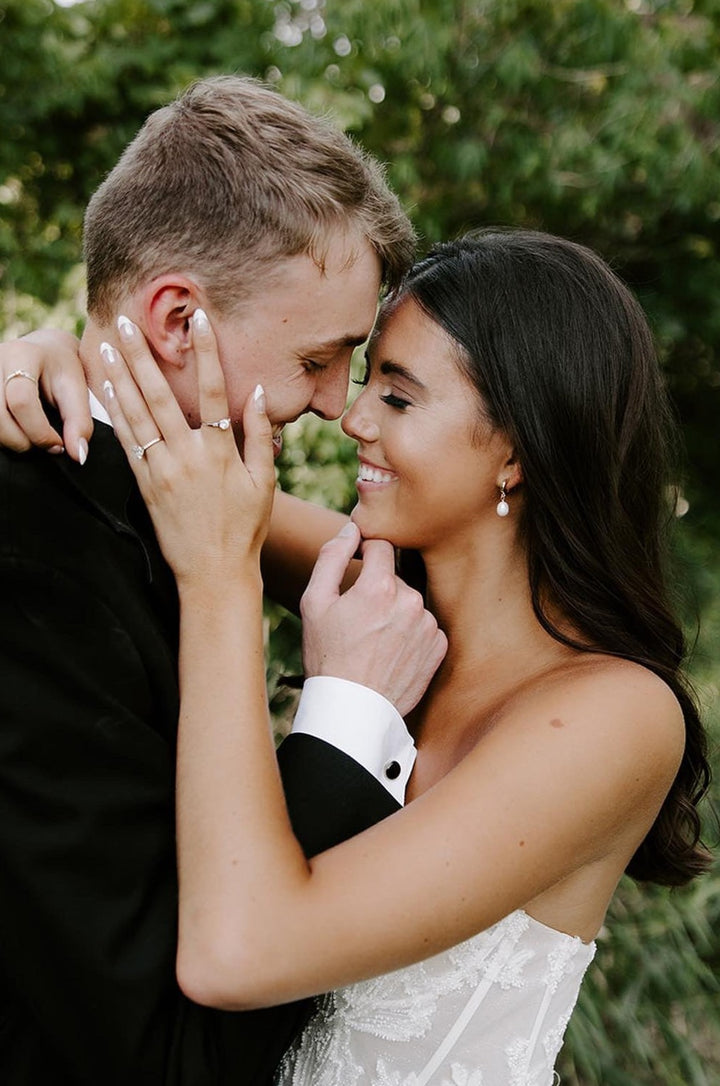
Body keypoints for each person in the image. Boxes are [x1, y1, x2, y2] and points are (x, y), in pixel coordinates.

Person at [6, 229, 711, 1084]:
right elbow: (170, 474)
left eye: (400, 397)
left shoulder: (614, 715)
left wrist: (223, 585)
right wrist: (45, 361)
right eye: (366, 378)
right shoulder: (382, 604)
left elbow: (236, 957)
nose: (353, 417)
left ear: (518, 451)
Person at [0, 75, 448, 1085]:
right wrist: (347, 715)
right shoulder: (33, 564)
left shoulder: (166, 512)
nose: (336, 405)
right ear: (176, 318)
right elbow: (166, 1055)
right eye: (320, 358)